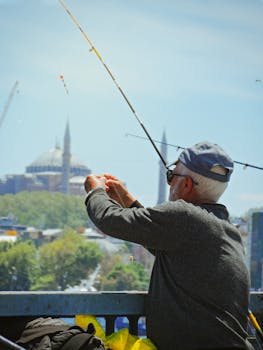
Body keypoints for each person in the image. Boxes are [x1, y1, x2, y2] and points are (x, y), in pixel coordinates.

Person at [84, 141, 252, 350]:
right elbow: (157, 237)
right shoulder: (226, 229)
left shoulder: (184, 216)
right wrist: (125, 198)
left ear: (187, 185)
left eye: (172, 176)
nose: (170, 183)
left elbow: (110, 220)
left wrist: (96, 192)